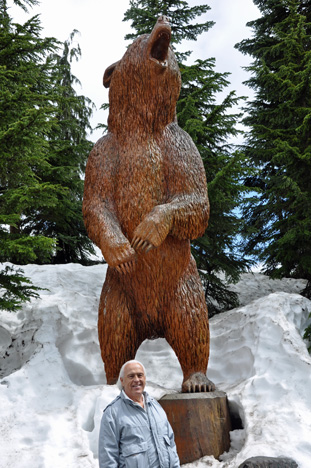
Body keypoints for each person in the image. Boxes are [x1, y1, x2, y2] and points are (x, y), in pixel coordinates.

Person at [98, 359, 180, 468]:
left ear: (145, 379)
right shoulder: (112, 413)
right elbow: (108, 458)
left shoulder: (155, 406)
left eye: (140, 375)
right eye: (131, 376)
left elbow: (171, 444)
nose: (137, 380)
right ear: (122, 381)